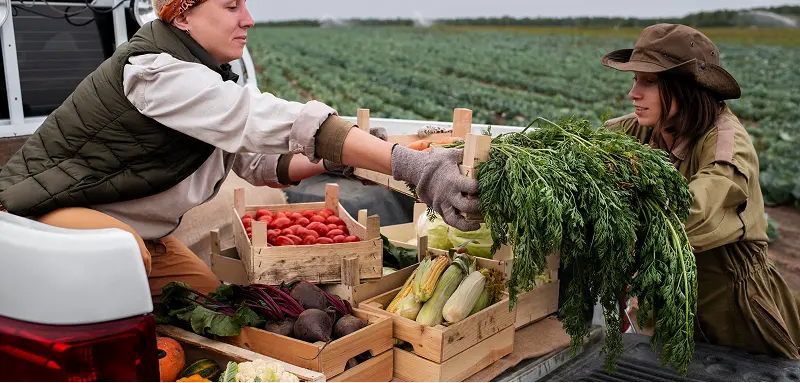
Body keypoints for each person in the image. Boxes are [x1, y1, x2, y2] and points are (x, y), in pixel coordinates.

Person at [0, 0, 480, 299]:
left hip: (138, 232)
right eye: (231, 5)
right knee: (118, 257)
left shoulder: (203, 76)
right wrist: (413, 166)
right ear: (183, 12)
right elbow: (260, 117)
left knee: (207, 301)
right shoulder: (154, 73)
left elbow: (255, 162)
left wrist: (340, 157)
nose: (248, 18)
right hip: (45, 216)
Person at [601, 23, 800, 359]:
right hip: (667, 305)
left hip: (736, 313)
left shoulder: (726, 144)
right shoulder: (640, 129)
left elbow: (692, 213)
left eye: (649, 82)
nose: (634, 93)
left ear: (685, 87)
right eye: (634, 79)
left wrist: (610, 220)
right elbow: (585, 158)